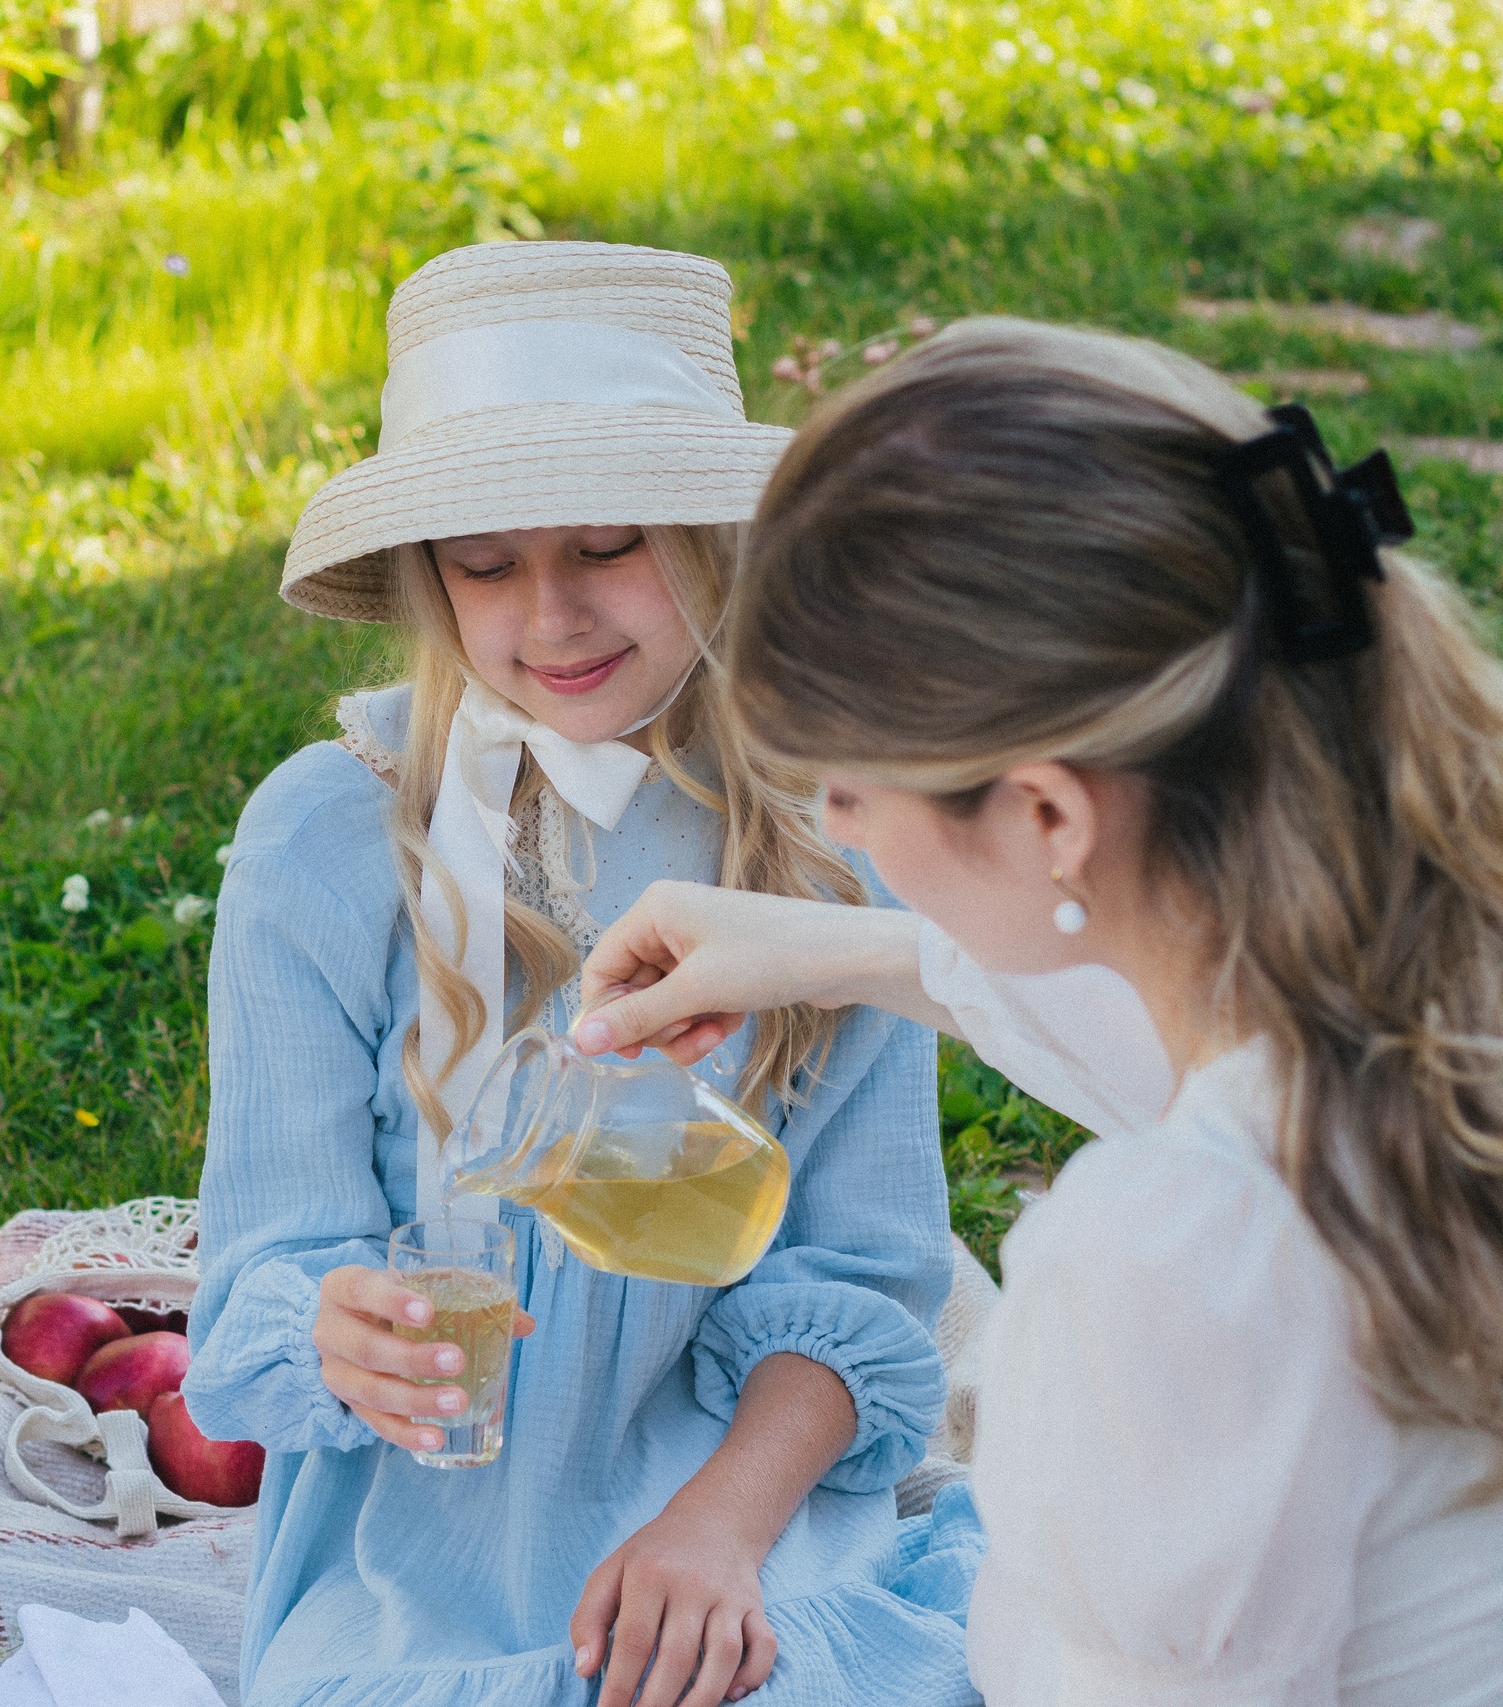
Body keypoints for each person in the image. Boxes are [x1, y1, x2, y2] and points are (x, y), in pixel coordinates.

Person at [572, 317, 1503, 1705]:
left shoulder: (1184, 1265)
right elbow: (1126, 1007)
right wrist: (821, 944)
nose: (832, 820)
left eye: (847, 788)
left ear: (1046, 813)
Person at [181, 242, 983, 1707]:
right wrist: (337, 1330)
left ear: (711, 538)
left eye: (609, 544)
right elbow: (258, 1273)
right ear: (425, 577)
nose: (549, 618)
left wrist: (720, 1531)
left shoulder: (831, 834)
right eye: (485, 565)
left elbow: (861, 1276)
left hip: (732, 1507)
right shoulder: (327, 836)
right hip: (418, 1549)